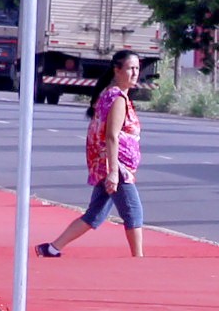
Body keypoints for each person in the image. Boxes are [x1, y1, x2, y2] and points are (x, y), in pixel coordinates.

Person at [38, 50, 146, 258]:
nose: (134, 73)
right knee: (134, 212)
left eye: (137, 69)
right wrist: (114, 172)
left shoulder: (112, 94)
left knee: (95, 214)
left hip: (108, 165)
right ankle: (138, 260)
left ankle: (52, 248)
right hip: (117, 167)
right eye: (130, 68)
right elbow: (111, 136)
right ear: (117, 69)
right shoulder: (117, 99)